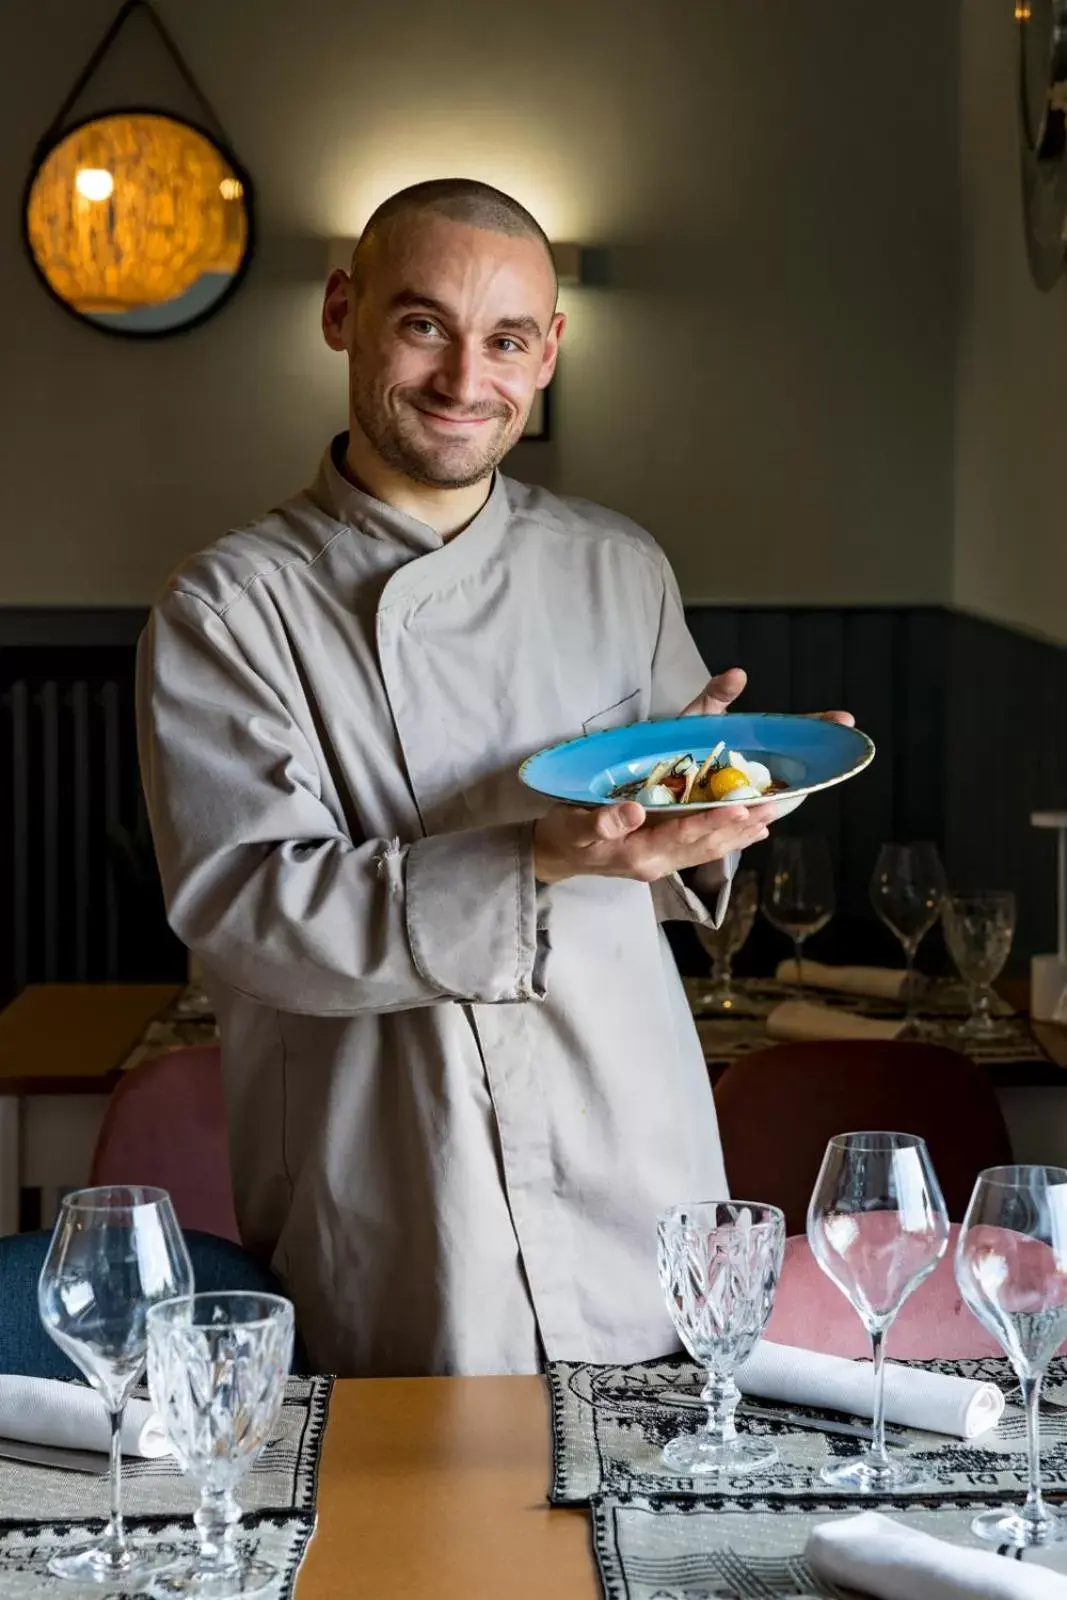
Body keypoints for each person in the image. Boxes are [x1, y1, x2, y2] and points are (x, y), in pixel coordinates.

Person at [138, 178, 848, 1377]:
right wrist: (541, 853)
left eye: (506, 340)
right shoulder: (229, 607)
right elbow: (246, 910)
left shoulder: (618, 567)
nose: (466, 380)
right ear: (341, 312)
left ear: (549, 351)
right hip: (403, 1187)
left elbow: (672, 846)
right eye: (423, 326)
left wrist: (723, 809)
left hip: (634, 1164)